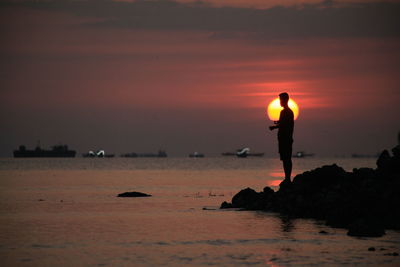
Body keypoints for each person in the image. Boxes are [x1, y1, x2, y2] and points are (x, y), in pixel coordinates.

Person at [269, 92, 294, 183]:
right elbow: (283, 123)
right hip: (284, 138)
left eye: (281, 100)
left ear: (285, 100)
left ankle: (287, 178)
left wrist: (274, 127)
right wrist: (278, 123)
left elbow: (284, 125)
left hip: (285, 138)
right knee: (285, 158)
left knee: (286, 158)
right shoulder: (287, 112)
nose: (280, 102)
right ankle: (287, 178)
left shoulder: (285, 112)